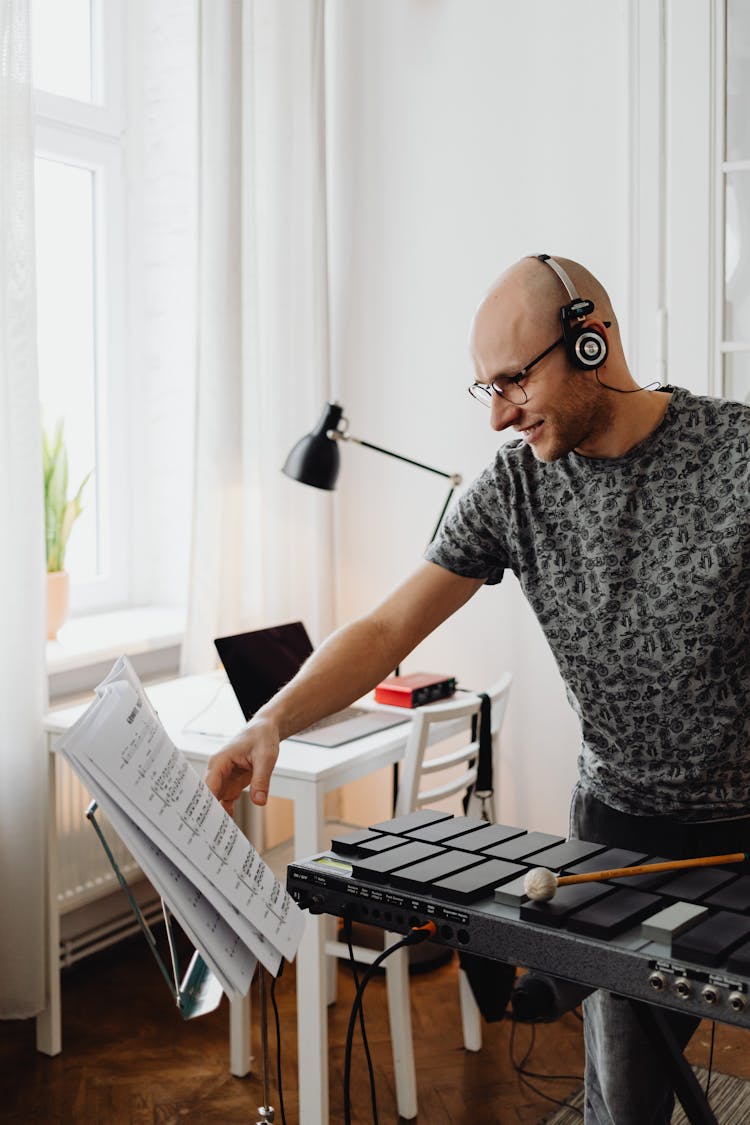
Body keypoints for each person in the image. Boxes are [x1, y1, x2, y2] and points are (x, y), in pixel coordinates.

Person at [205, 253, 750, 1125]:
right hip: (613, 827)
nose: (499, 414)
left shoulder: (740, 455)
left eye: (512, 382)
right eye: (484, 390)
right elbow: (387, 630)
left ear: (590, 340)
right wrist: (273, 716)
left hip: (743, 830)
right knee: (625, 1103)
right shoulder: (514, 486)